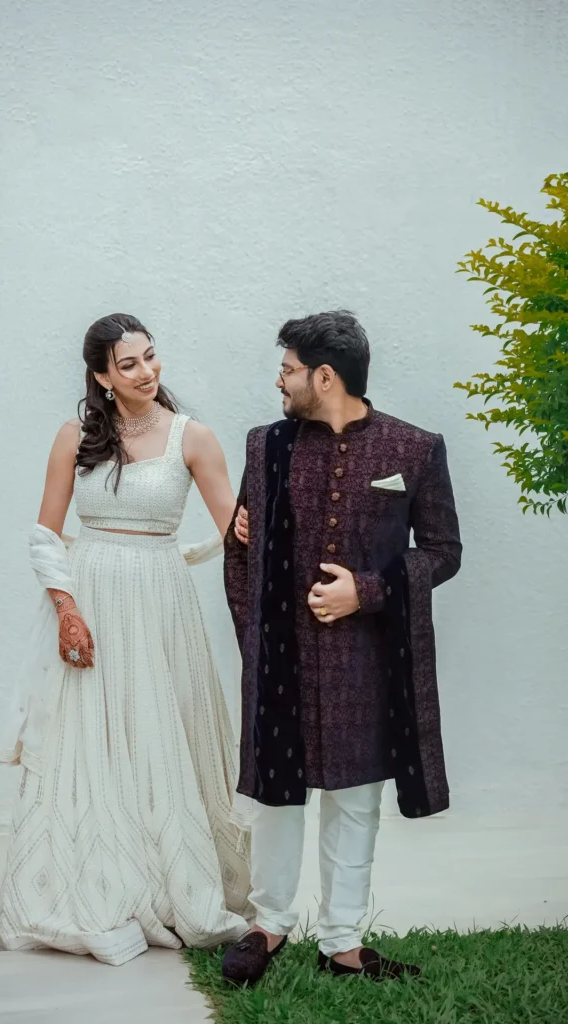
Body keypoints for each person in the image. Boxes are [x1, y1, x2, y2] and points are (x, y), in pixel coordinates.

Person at [0, 313, 251, 966]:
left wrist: (280, 518)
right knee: (91, 746)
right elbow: (46, 532)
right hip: (91, 599)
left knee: (159, 736)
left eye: (151, 357)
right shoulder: (74, 436)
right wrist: (66, 610)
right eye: (129, 364)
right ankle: (101, 888)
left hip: (161, 602)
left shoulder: (193, 438)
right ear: (103, 377)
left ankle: (178, 886)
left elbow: (233, 529)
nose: (146, 372)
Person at [221, 309, 461, 984]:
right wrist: (255, 642)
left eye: (288, 369)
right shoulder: (264, 446)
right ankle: (268, 925)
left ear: (324, 377)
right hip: (281, 661)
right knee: (276, 797)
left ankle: (342, 942)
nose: (279, 380)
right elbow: (238, 554)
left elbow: (443, 553)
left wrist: (369, 591)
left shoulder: (412, 450)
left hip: (364, 660)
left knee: (355, 800)